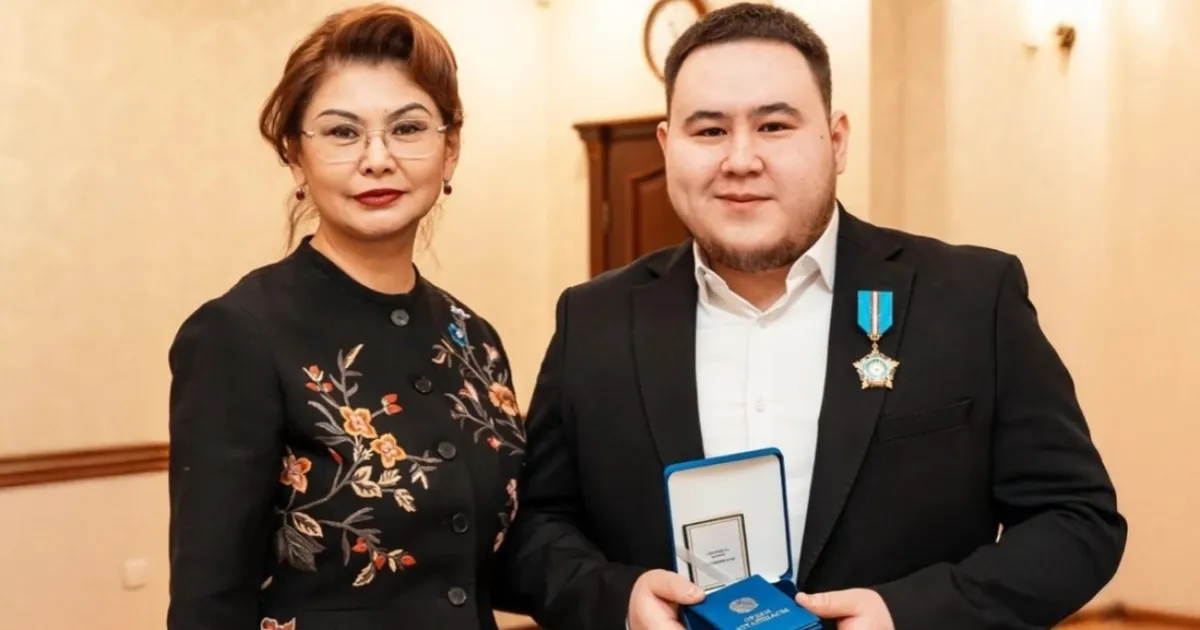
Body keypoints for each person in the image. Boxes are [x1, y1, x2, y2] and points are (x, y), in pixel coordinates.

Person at [504, 3, 1126, 629]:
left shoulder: (970, 299)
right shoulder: (595, 321)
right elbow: (532, 527)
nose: (740, 159)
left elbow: (1077, 520)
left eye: (774, 126)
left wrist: (908, 615)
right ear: (668, 146)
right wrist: (619, 600)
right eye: (710, 131)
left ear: (836, 140)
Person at [165, 5, 526, 629]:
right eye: (341, 132)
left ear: (450, 150)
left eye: (408, 128)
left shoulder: (474, 339)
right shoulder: (239, 333)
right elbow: (209, 602)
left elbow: (500, 559)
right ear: (294, 155)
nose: (377, 158)